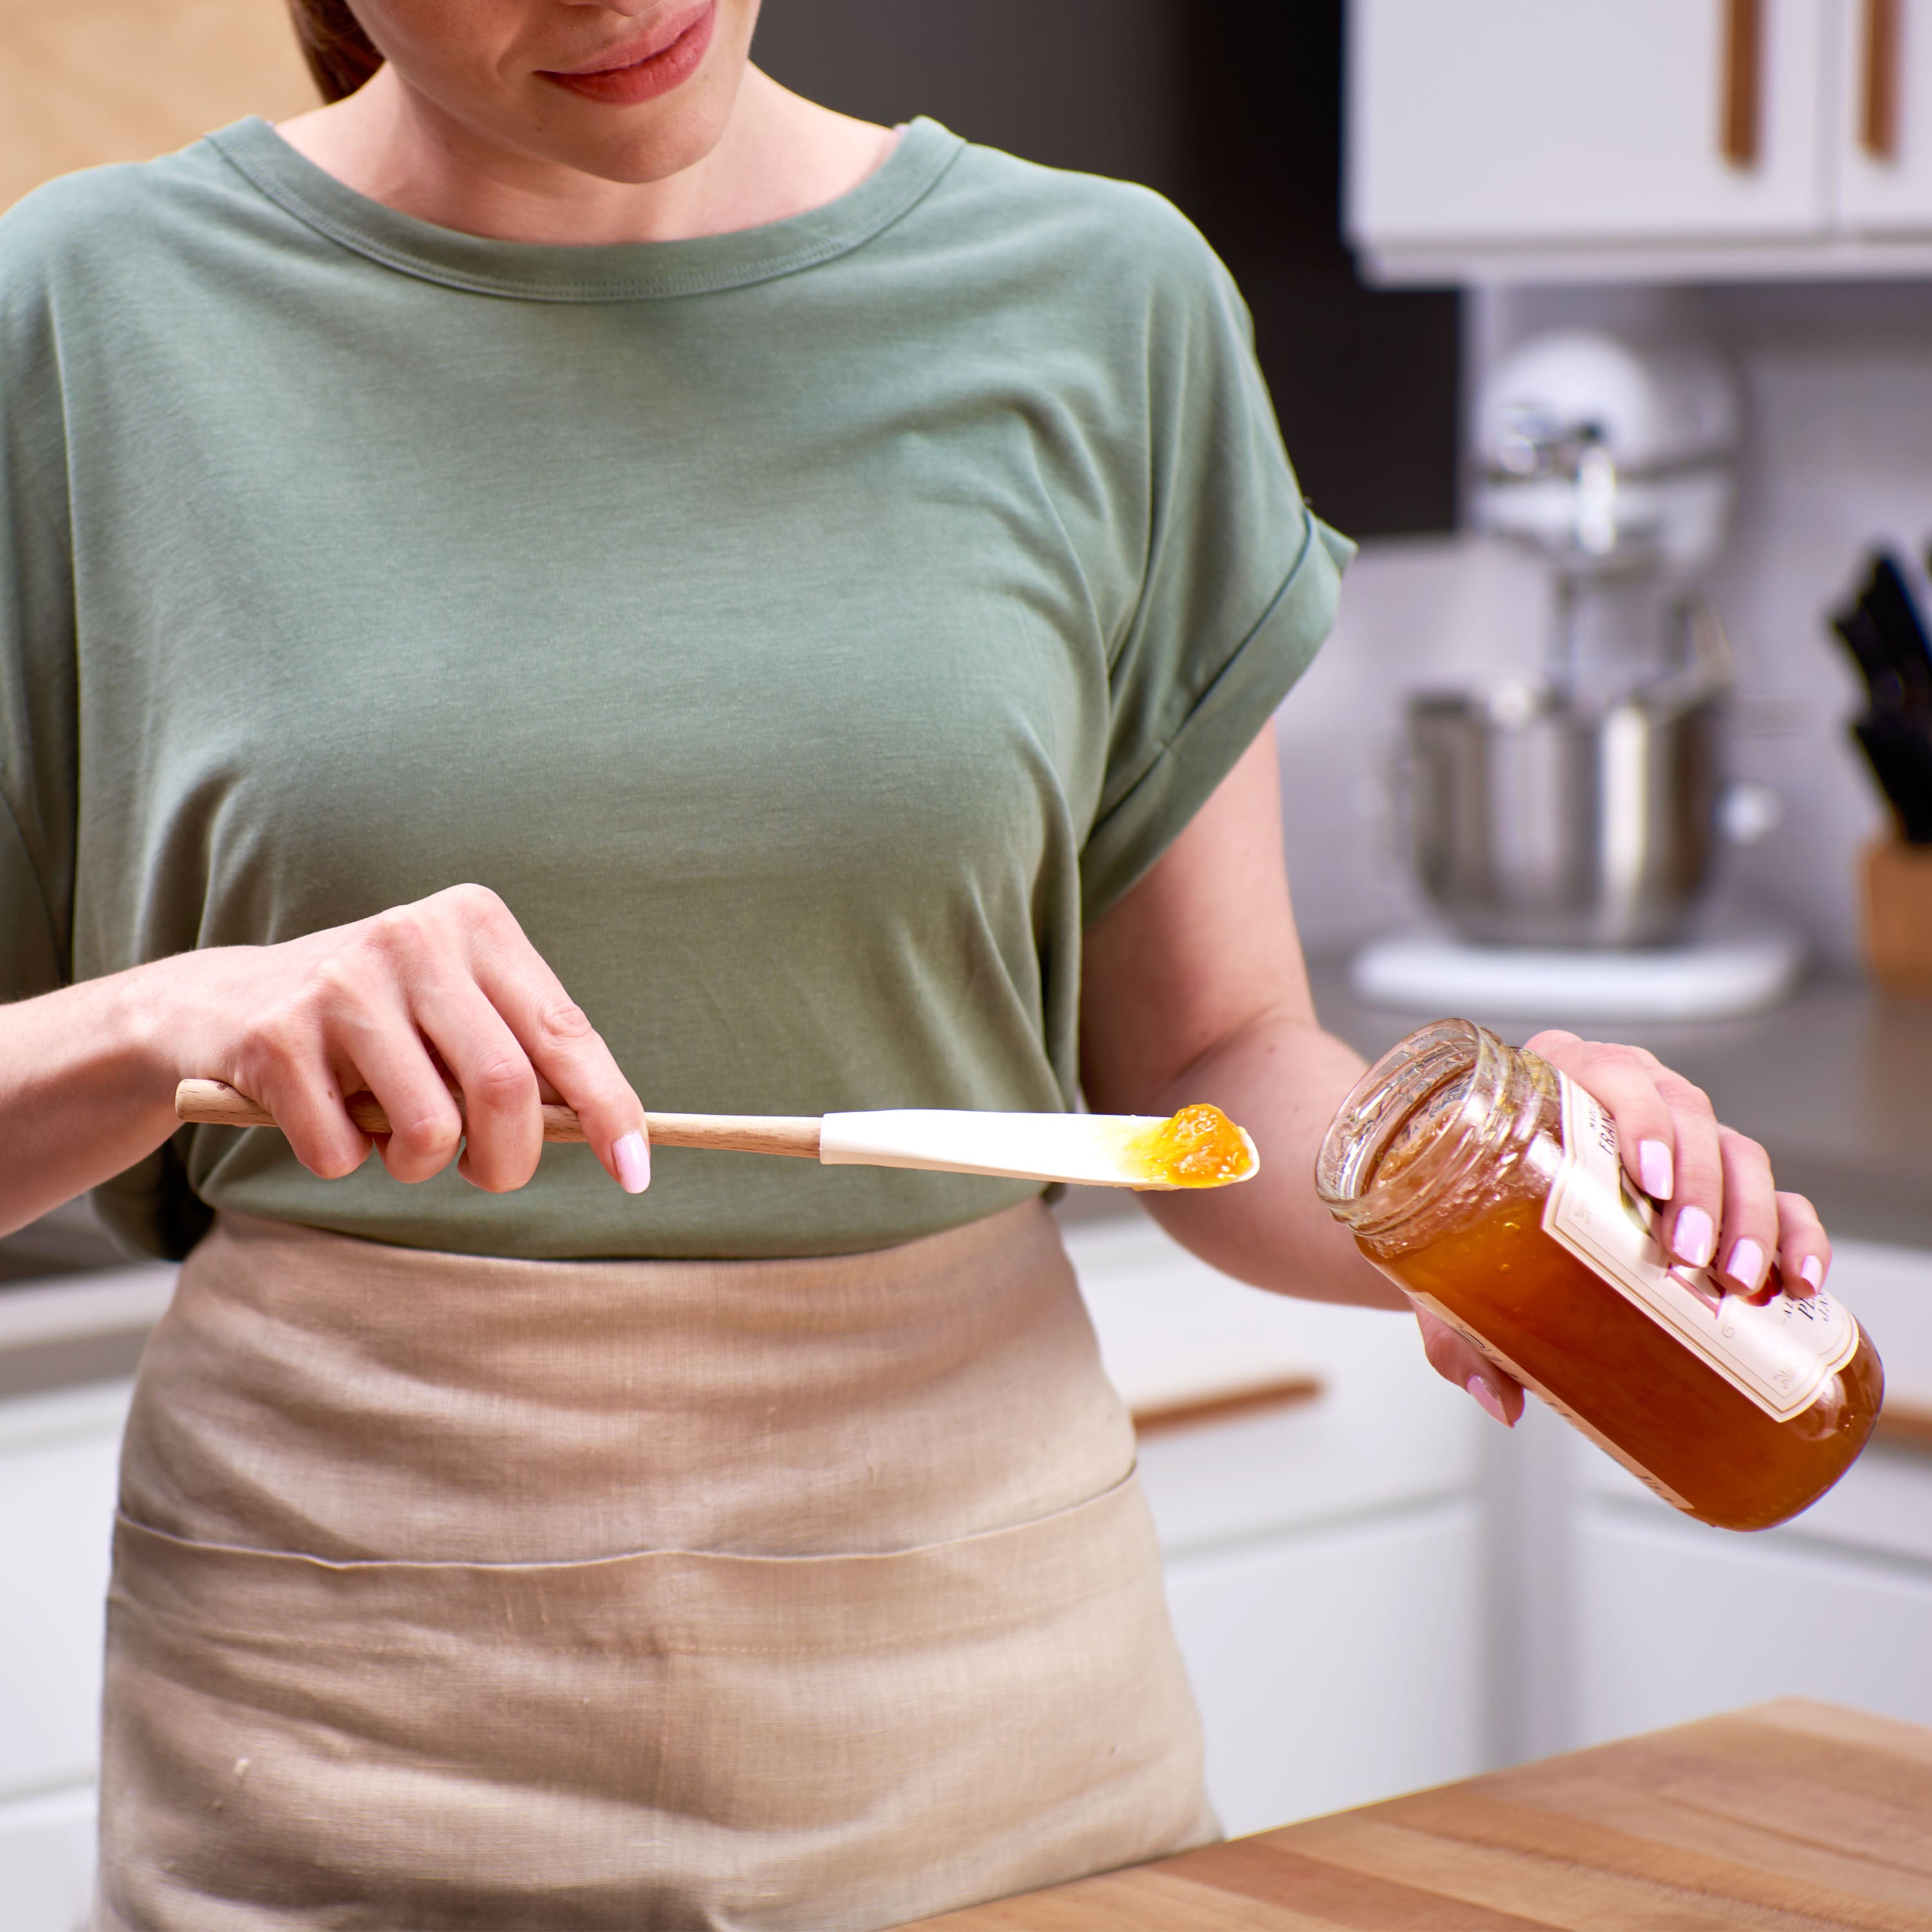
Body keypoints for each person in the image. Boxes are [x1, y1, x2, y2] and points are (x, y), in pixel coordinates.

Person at [0, 2, 1832, 1926]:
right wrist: (158, 1015)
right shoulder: (76, 323)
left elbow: (1211, 1056)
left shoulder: (1105, 300)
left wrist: (1482, 1186)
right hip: (339, 1747)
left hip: (984, 1714)